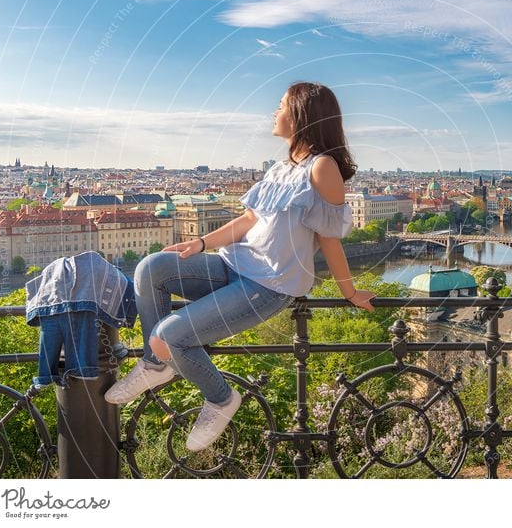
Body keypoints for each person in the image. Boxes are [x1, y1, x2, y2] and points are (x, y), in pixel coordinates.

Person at [105, 82, 376, 452]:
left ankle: (220, 399)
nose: (275, 113)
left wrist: (350, 291)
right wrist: (200, 243)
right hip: (235, 266)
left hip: (267, 287)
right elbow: (248, 221)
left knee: (171, 333)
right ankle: (156, 366)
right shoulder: (281, 168)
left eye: (281, 106)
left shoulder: (322, 167)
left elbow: (330, 239)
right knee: (151, 268)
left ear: (301, 115)